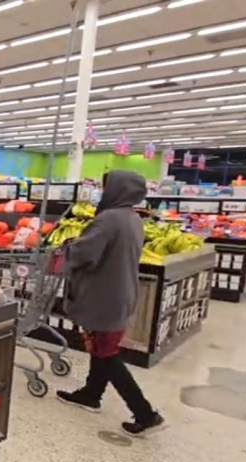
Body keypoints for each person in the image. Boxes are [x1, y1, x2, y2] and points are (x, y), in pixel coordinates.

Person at [56, 170, 165, 437]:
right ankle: (91, 394)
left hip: (103, 296)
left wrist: (67, 250)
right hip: (120, 293)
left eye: (106, 187)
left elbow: (86, 254)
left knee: (107, 354)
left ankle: (145, 413)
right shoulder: (133, 219)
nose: (102, 192)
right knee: (101, 346)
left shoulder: (108, 219)